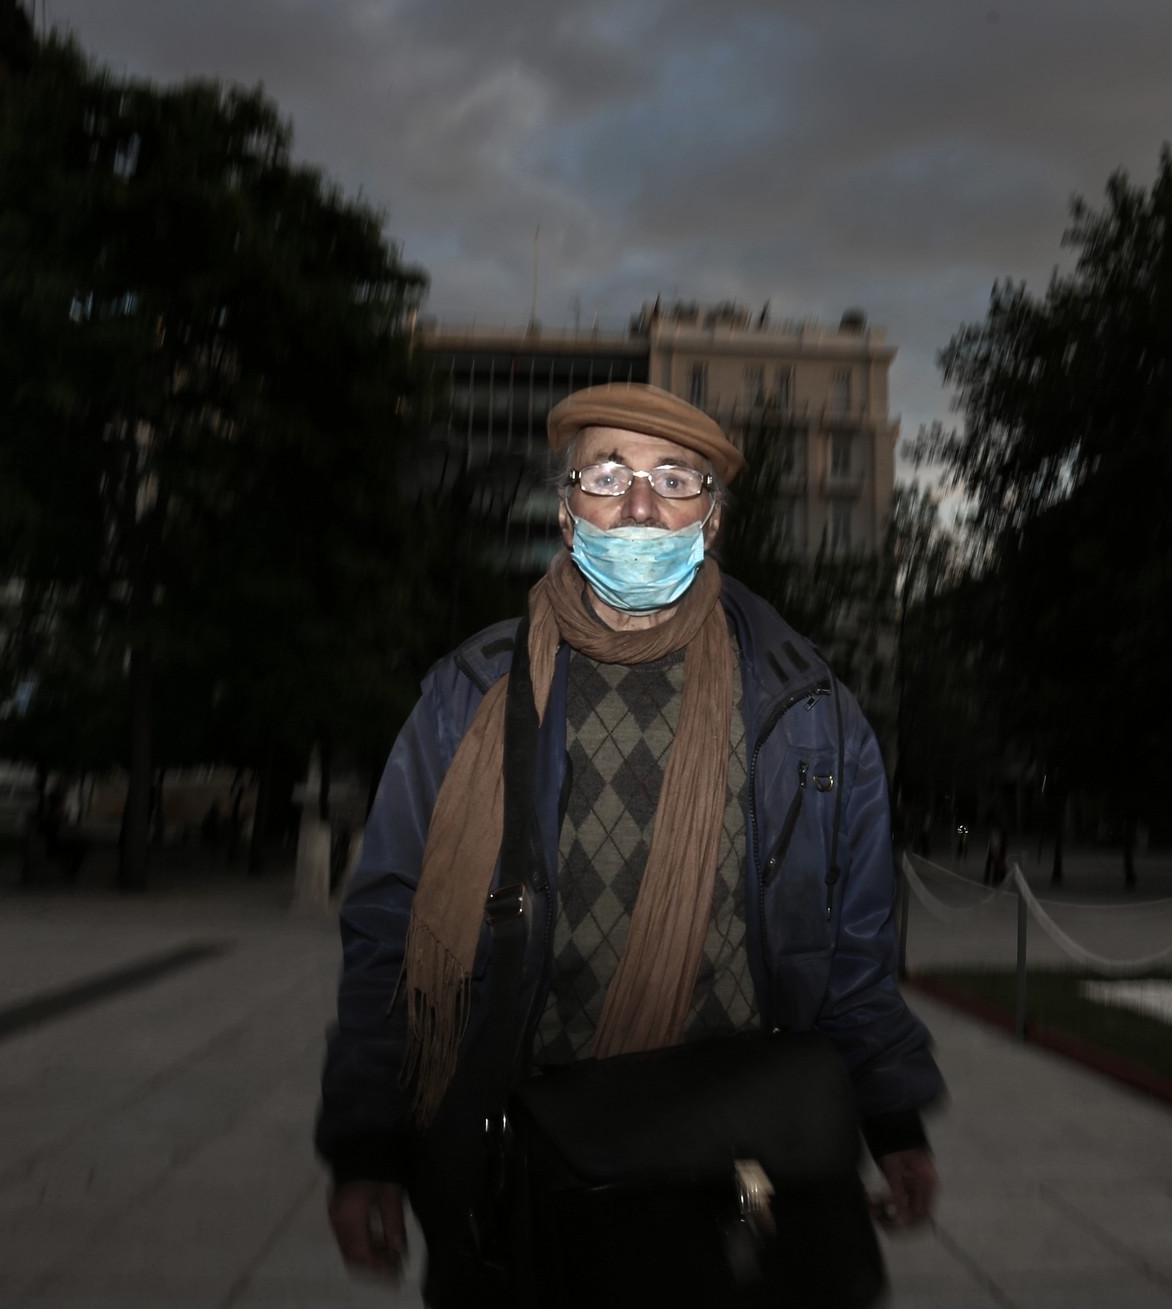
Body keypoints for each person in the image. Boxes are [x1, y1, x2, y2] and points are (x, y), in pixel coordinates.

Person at [316, 383, 943, 1304]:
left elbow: (854, 951)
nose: (641, 505)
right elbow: (388, 933)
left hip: (734, 1168)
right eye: (607, 475)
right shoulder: (468, 696)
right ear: (566, 514)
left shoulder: (808, 713)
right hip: (531, 1179)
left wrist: (894, 1119)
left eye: (675, 478)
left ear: (712, 520)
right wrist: (367, 1144)